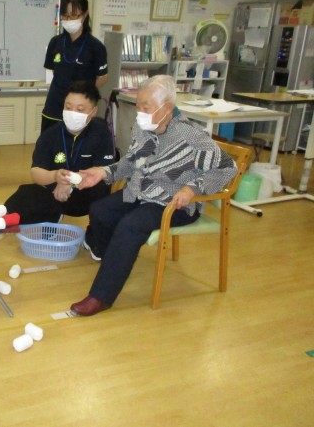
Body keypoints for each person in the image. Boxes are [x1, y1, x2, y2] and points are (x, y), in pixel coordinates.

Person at [70, 75, 238, 316]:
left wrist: (193, 188)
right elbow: (131, 161)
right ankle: (115, 263)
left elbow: (228, 168)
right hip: (141, 191)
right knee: (100, 210)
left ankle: (101, 296)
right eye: (138, 105)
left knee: (130, 226)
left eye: (145, 107)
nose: (139, 112)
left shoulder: (190, 135)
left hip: (173, 202)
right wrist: (103, 172)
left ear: (166, 108)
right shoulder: (144, 127)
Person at [5, 81, 114, 224]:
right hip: (55, 193)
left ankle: (93, 234)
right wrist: (56, 176)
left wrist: (71, 181)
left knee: (106, 192)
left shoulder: (101, 133)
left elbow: (102, 170)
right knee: (24, 196)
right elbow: (36, 172)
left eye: (80, 110)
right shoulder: (50, 135)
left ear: (93, 112)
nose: (73, 113)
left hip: (88, 194)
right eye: (68, 107)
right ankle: (49, 221)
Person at [41, 0, 108, 132]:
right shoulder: (55, 42)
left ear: (85, 14)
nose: (68, 20)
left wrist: (84, 94)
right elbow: (54, 71)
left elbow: (102, 78)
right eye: (65, 16)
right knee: (50, 142)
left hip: (80, 110)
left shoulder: (95, 46)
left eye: (73, 16)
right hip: (54, 107)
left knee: (78, 143)